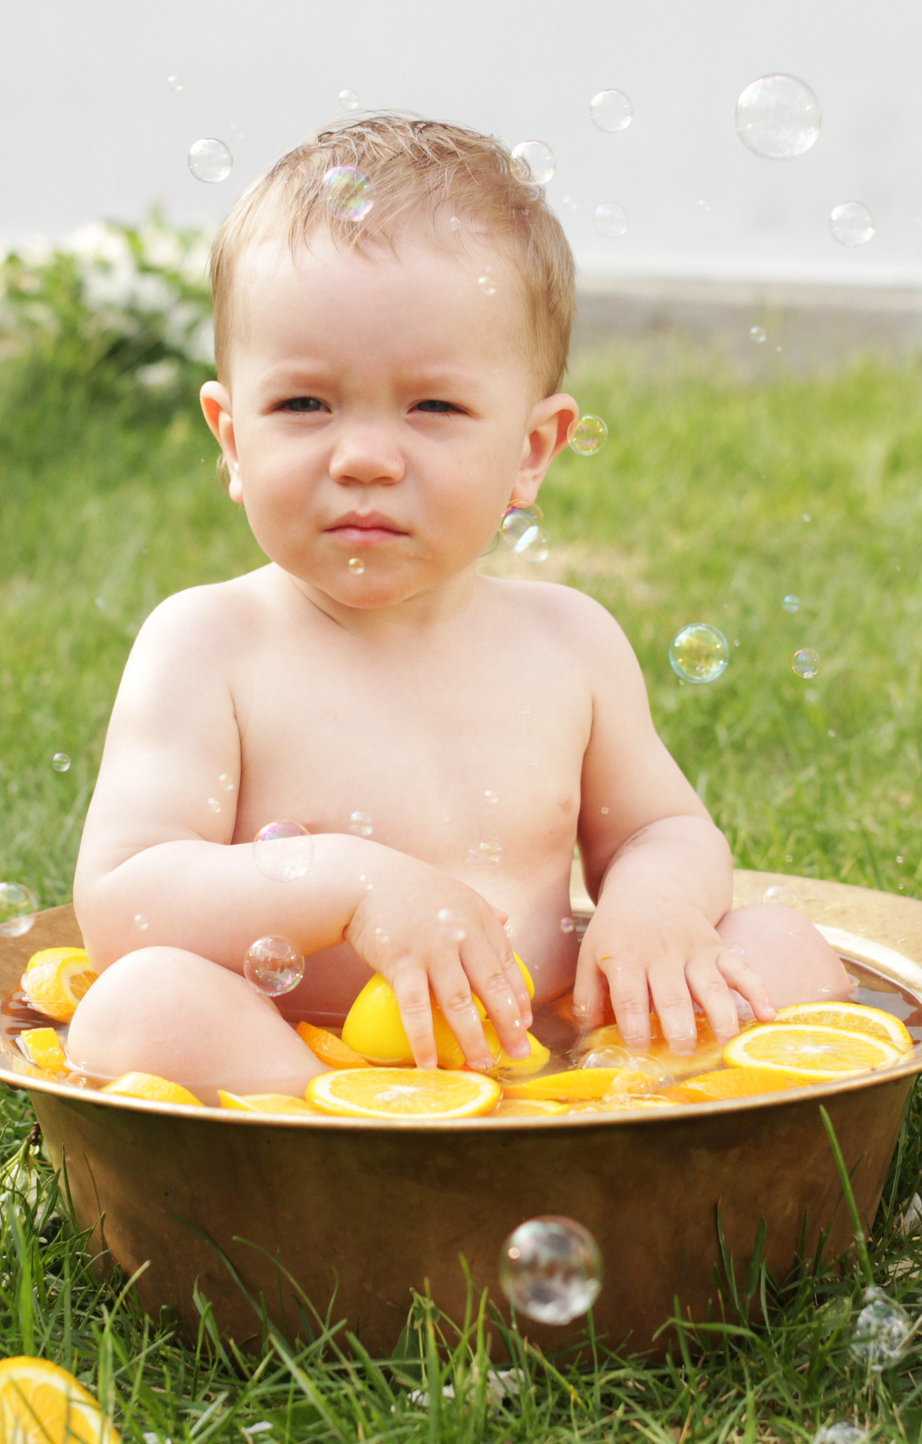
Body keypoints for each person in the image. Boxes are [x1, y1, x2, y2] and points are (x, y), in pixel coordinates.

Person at [64, 115, 847, 1096]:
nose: (364, 457)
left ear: (530, 450)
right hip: (307, 1063)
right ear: (230, 437)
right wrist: (350, 884)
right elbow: (124, 902)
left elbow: (663, 830)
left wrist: (654, 909)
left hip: (551, 1052)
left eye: (432, 407)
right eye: (303, 404)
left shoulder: (569, 642)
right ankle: (345, 1153)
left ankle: (635, 1114)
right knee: (141, 1006)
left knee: (782, 945)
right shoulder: (211, 645)